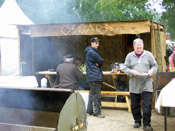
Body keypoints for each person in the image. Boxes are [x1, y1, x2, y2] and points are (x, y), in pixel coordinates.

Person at [124, 38, 158, 131]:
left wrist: (152, 71)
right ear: (134, 47)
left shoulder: (149, 55)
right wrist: (131, 71)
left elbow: (155, 65)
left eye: (140, 47)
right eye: (137, 48)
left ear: (143, 46)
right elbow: (125, 68)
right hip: (134, 82)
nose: (139, 49)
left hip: (147, 81)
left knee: (147, 103)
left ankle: (147, 123)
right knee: (135, 104)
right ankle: (137, 120)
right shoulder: (130, 56)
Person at [85, 37, 105, 118]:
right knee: (96, 95)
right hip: (95, 76)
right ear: (92, 43)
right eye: (96, 43)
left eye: (98, 43)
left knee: (92, 94)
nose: (98, 45)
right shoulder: (92, 52)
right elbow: (101, 60)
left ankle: (89, 111)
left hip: (91, 76)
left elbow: (99, 62)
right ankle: (97, 112)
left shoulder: (89, 51)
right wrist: (98, 63)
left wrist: (98, 63)